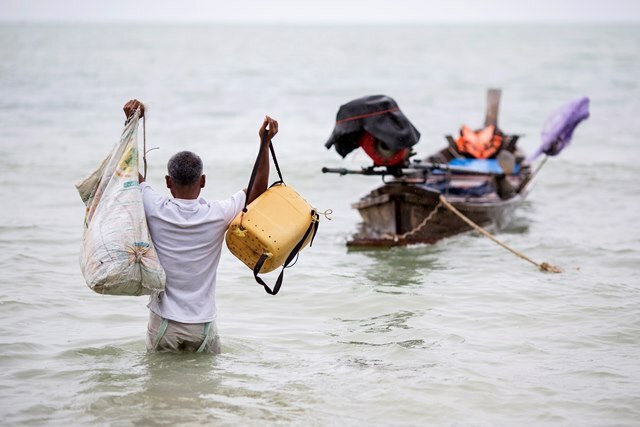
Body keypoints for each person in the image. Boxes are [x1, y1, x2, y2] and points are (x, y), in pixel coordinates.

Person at [122, 99, 278, 354]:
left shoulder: (154, 207)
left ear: (168, 182)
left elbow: (128, 172)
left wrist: (130, 124)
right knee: (204, 390)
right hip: (203, 325)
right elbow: (257, 191)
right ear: (203, 181)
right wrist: (265, 143)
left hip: (164, 323)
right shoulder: (217, 214)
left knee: (158, 388)